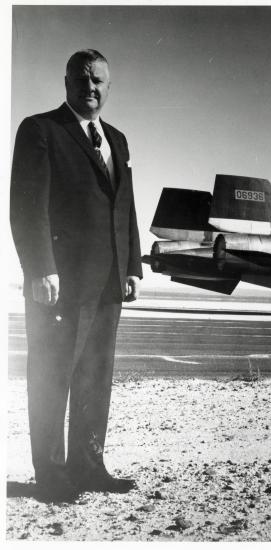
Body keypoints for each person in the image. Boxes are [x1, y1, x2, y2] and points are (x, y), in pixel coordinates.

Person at [10, 49, 143, 502]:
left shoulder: (117, 141)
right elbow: (26, 206)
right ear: (67, 81)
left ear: (109, 86)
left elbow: (125, 206)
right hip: (59, 284)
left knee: (94, 376)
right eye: (83, 79)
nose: (91, 88)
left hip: (107, 283)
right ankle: (51, 475)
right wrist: (39, 267)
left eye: (99, 81)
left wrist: (132, 266)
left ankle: (89, 468)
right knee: (52, 376)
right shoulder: (41, 130)